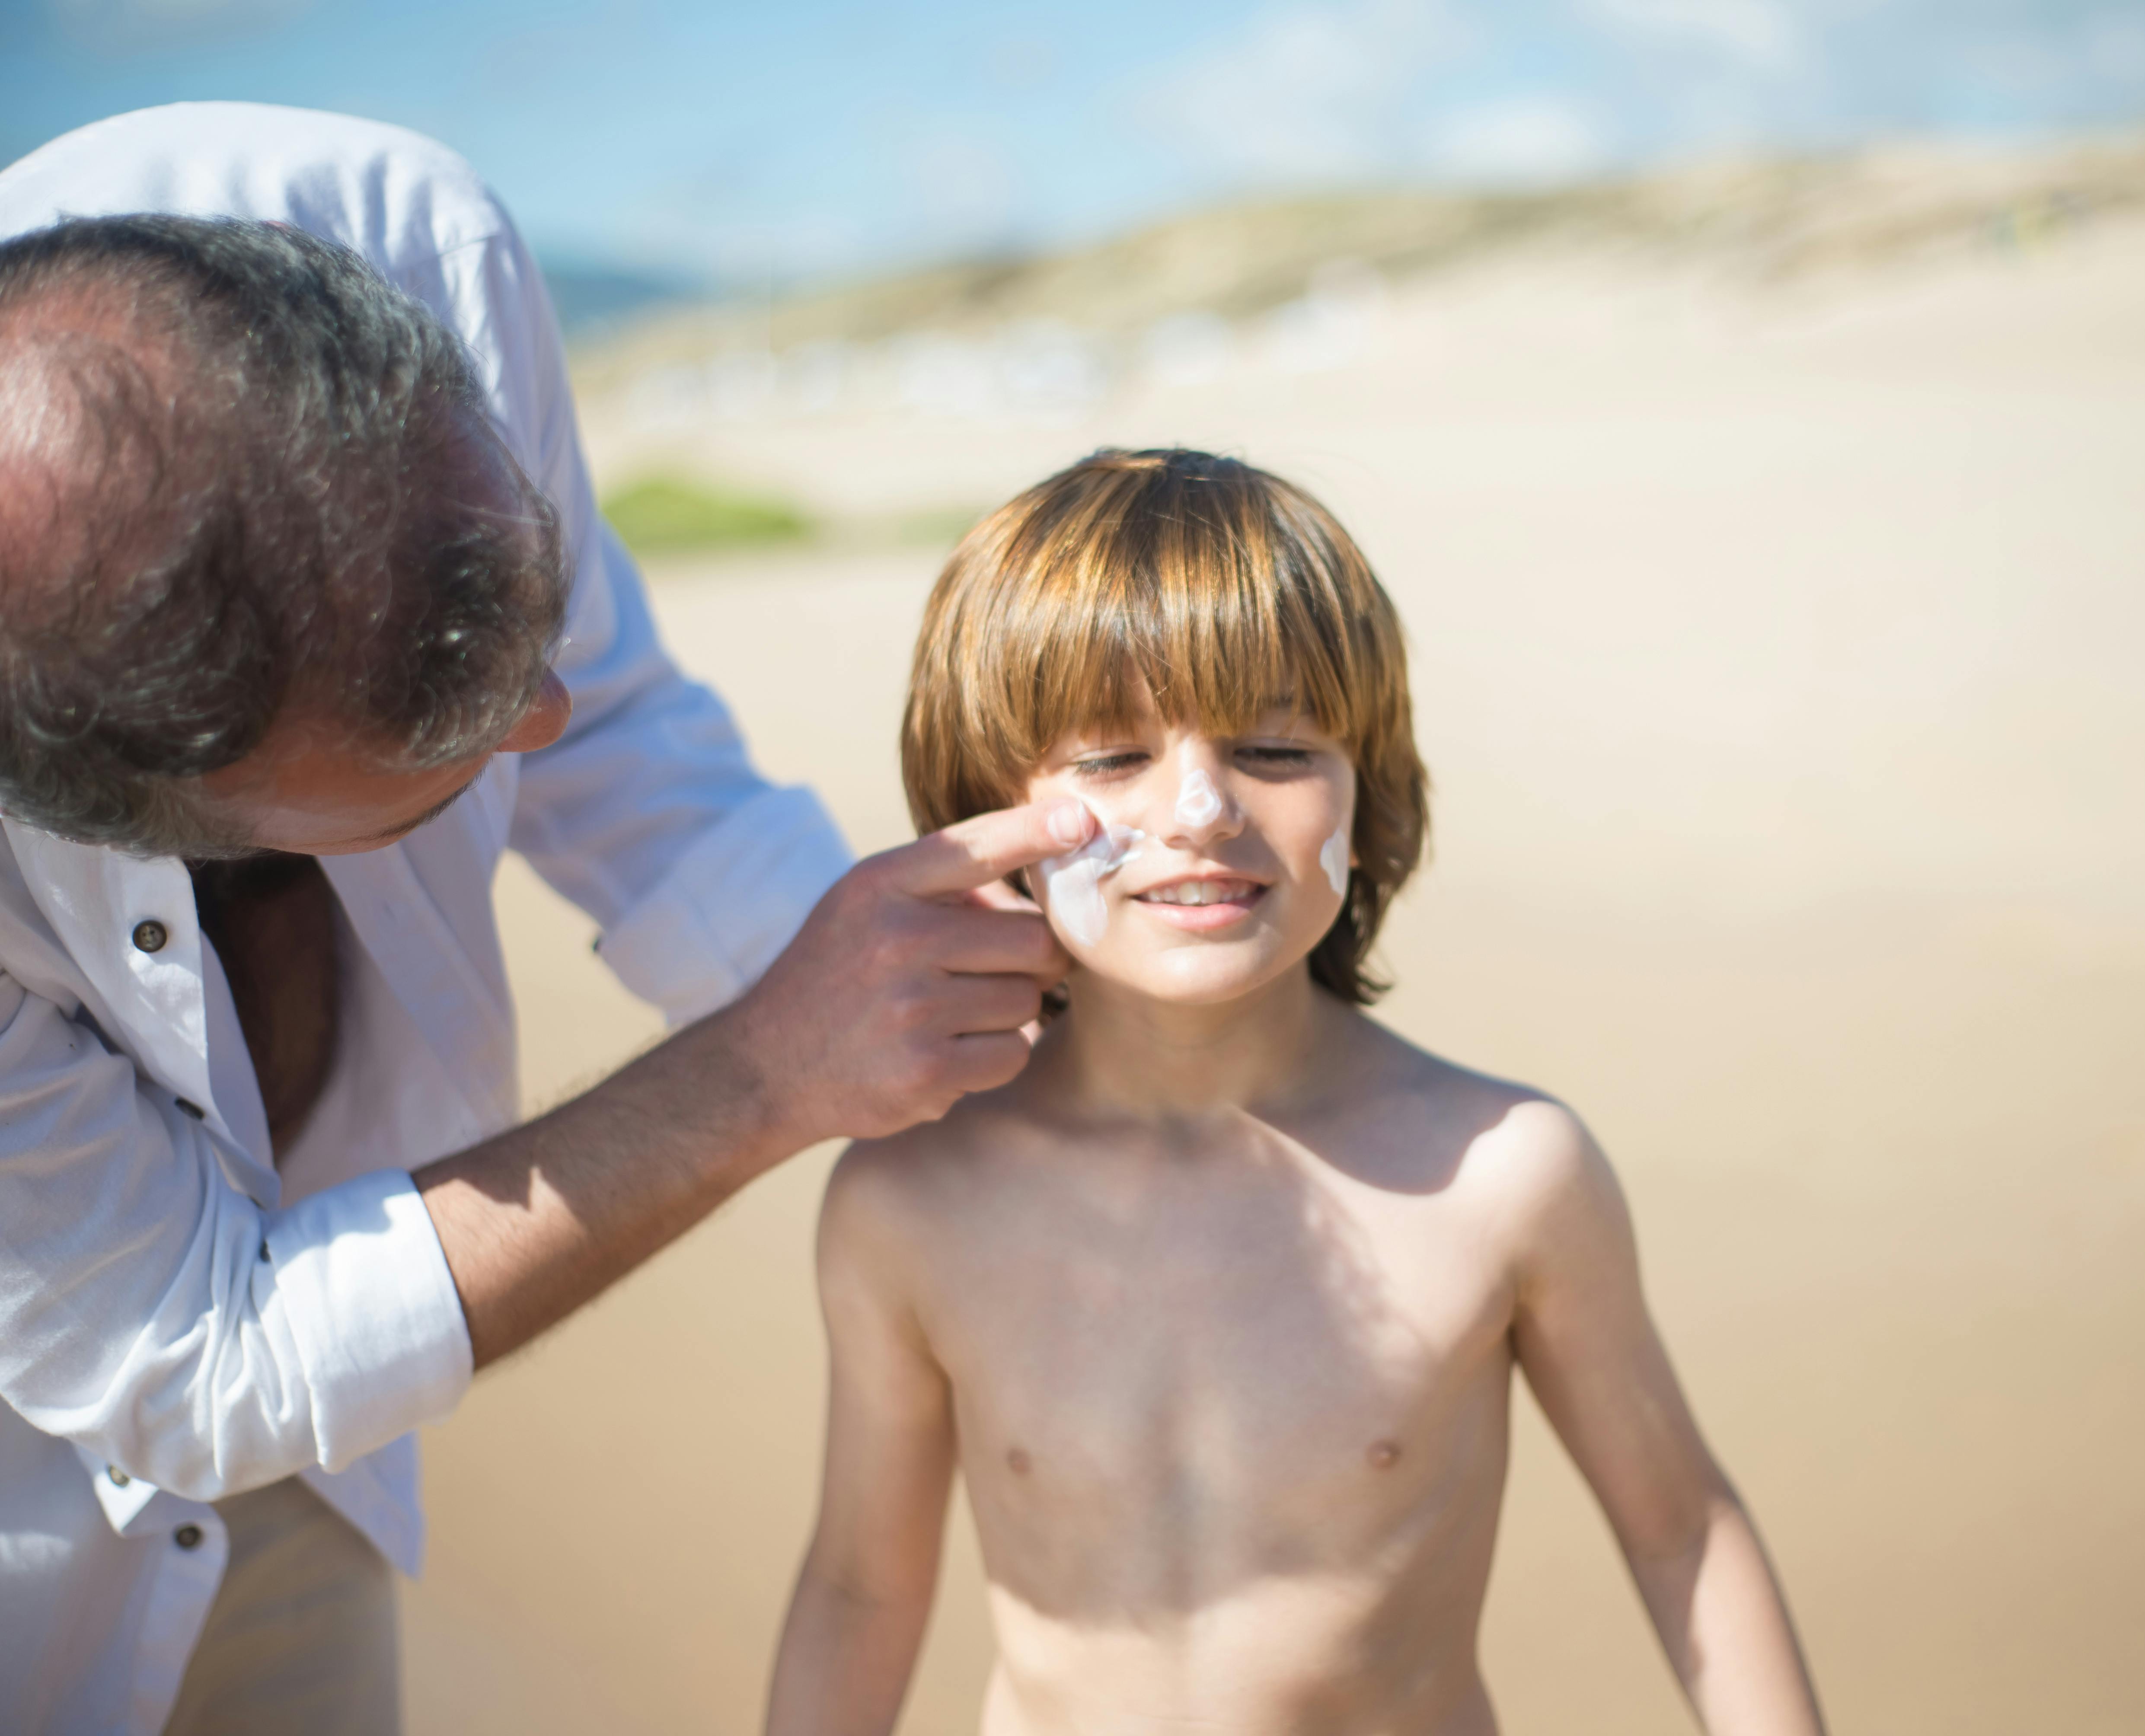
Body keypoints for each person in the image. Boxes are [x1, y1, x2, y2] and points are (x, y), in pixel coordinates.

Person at [0, 105, 1080, 1733]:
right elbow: (200, 1364)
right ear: (171, 825)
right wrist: (767, 1074)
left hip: (327, 1466)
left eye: (528, 611)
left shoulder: (416, 239)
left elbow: (626, 719)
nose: (552, 720)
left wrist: (964, 1052)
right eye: (441, 754)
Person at [766, 449, 1824, 1736]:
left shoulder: (1501, 1174)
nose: (1203, 807)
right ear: (984, 811)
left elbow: (1682, 1533)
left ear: (1368, 789)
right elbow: (862, 1589)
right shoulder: (909, 1198)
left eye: (1274, 745)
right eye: (1110, 758)